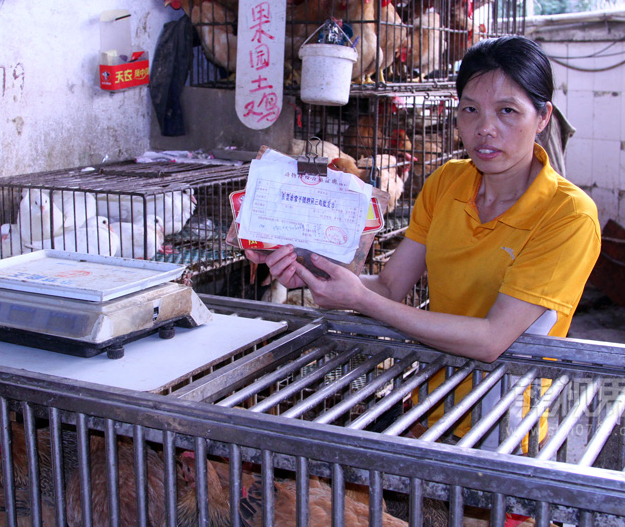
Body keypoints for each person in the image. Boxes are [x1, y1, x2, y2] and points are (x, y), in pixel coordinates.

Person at [246, 35, 601, 365]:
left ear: (543, 117)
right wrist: (311, 271)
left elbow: (492, 339)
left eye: (507, 111)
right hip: (431, 398)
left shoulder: (569, 216)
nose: (485, 128)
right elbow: (388, 287)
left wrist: (360, 299)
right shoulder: (448, 182)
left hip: (507, 417)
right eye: (470, 109)